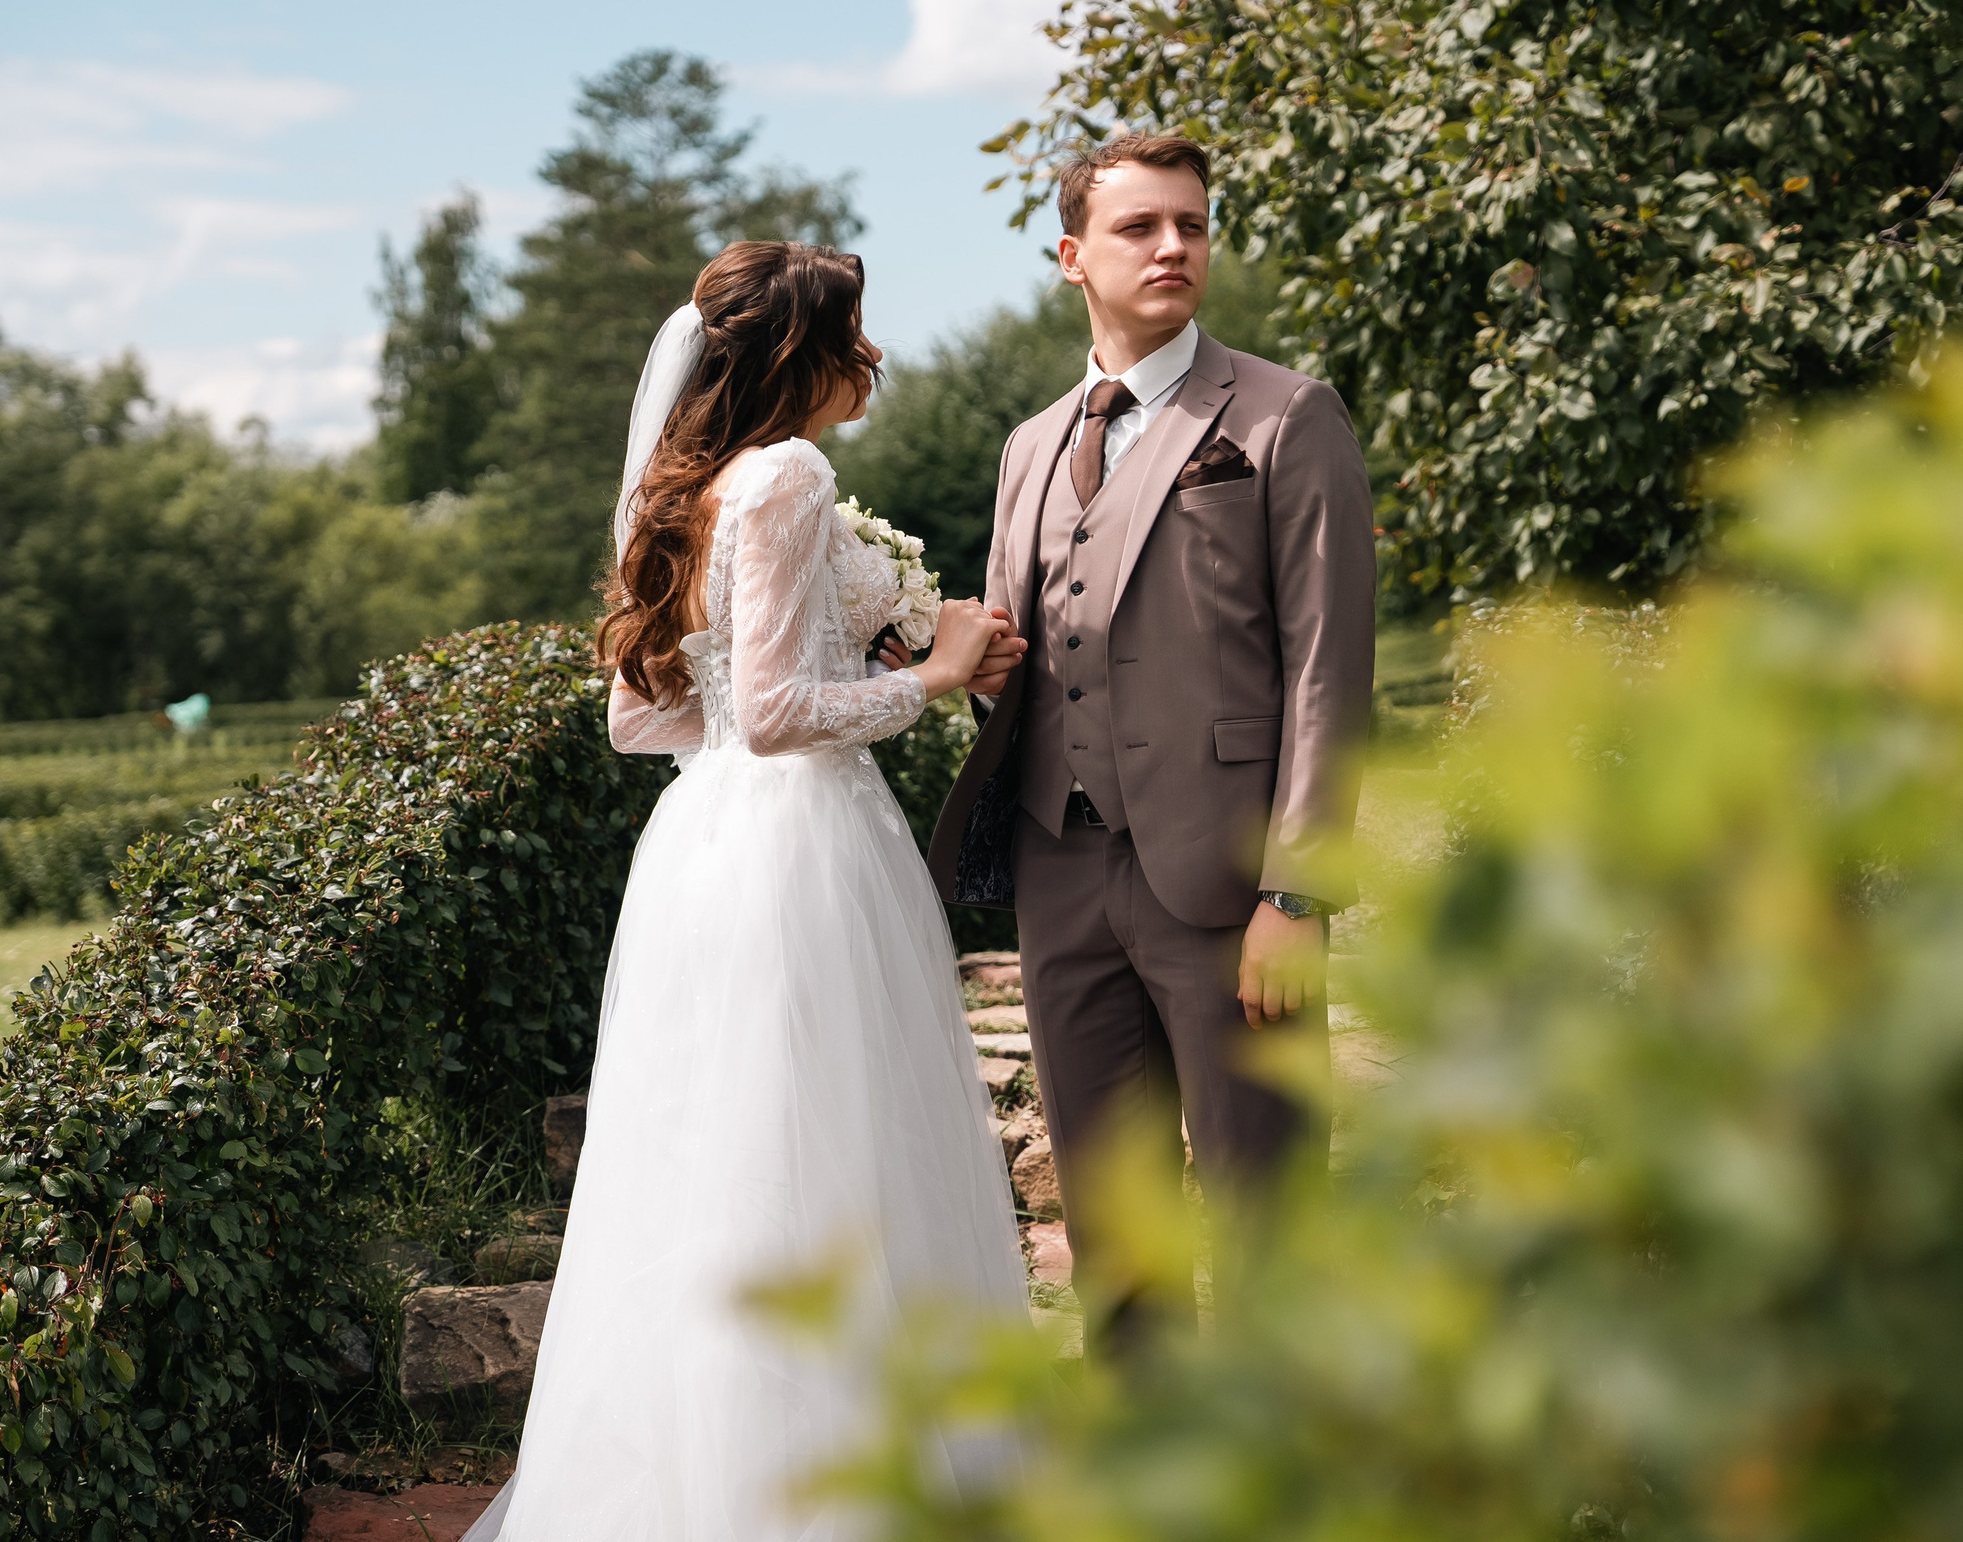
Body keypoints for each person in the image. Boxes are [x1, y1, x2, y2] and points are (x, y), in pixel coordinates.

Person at [464, 241, 1028, 1541]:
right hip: (800, 846)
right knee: (833, 1155)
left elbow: (644, 721)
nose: (872, 357)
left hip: (699, 847)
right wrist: (932, 673)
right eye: (857, 333)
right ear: (807, 353)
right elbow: (777, 714)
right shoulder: (788, 473)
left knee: (718, 1160)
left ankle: (697, 1478)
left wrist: (843, 644)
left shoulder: (691, 489)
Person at [929, 132, 1376, 1350]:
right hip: (1060, 870)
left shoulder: (1288, 415)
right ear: (1073, 256)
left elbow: (1331, 675)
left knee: (1265, 1209)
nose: (1174, 245)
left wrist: (1297, 890)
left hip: (1230, 882)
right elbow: (1033, 652)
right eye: (1139, 227)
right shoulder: (1029, 444)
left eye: (1191, 223)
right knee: (1115, 1218)